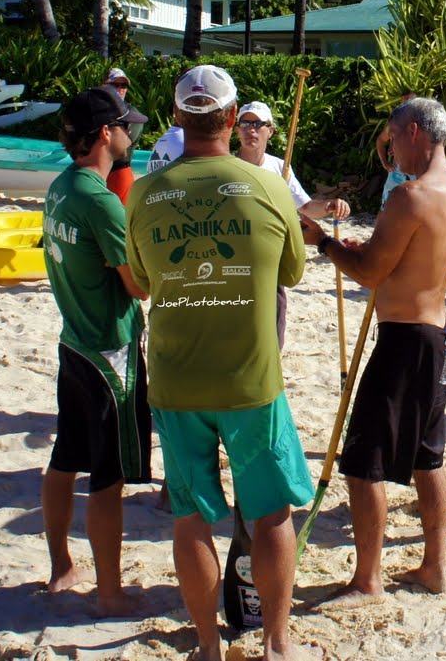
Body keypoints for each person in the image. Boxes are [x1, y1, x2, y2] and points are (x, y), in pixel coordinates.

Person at [125, 65, 316, 660]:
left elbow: (144, 281)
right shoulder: (268, 186)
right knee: (270, 513)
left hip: (177, 380)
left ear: (179, 120)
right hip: (251, 379)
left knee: (191, 518)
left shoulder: (146, 193)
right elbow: (292, 273)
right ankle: (277, 644)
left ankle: (208, 646)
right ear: (233, 120)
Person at [300, 97, 446, 601]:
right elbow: (402, 259)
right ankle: (433, 566)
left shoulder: (411, 195)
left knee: (363, 461)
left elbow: (372, 273)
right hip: (438, 332)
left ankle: (368, 578)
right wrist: (359, 253)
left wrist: (325, 245)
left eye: (392, 136)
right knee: (426, 457)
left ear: (414, 131)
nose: (389, 147)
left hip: (405, 339)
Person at [40, 86, 151, 616]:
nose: (132, 135)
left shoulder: (61, 186)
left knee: (64, 459)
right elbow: (138, 286)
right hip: (110, 351)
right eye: (127, 126)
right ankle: (110, 591)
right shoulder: (99, 198)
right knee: (108, 478)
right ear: (106, 133)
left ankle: (62, 566)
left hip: (72, 341)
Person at [235, 99, 351, 348]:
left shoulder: (280, 167)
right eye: (244, 123)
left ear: (270, 130)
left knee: (272, 339)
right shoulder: (226, 165)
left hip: (271, 262)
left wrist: (330, 205)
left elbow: (307, 208)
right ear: (236, 129)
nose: (250, 129)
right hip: (234, 263)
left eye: (257, 124)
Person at [100, 68, 137, 204]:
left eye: (124, 85)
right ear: (104, 85)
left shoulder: (132, 113)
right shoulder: (95, 108)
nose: (121, 89)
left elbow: (123, 148)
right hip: (99, 170)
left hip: (118, 172)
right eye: (116, 85)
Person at [376, 91, 418, 204]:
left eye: (410, 100)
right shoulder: (395, 124)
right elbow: (380, 140)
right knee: (388, 207)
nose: (407, 103)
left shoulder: (424, 125)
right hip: (397, 174)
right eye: (405, 100)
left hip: (417, 175)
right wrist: (385, 163)